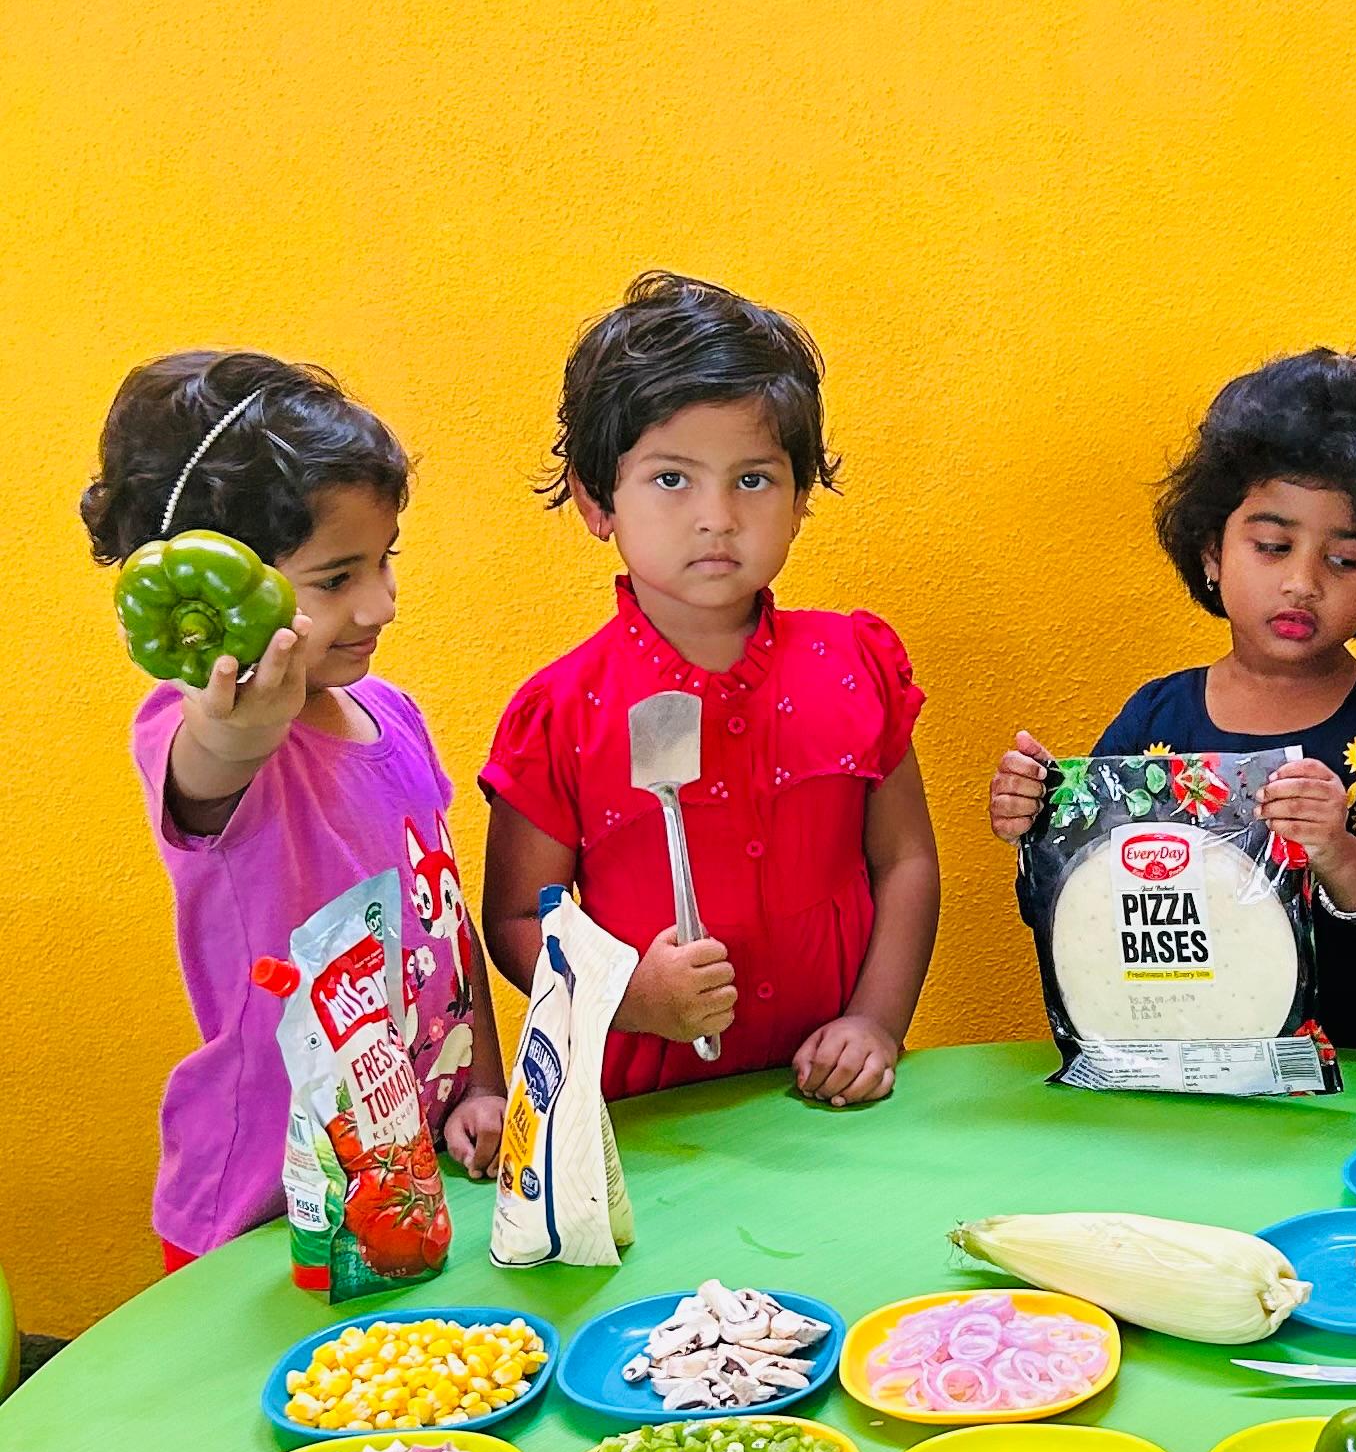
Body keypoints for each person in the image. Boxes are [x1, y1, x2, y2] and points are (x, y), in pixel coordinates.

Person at [82, 348, 509, 1267]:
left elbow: (447, 925)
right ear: (226, 587)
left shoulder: (391, 713)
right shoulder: (208, 734)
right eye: (336, 578)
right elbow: (210, 768)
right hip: (265, 1208)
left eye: (385, 563)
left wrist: (482, 1084)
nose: (382, 603)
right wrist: (240, 727)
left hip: (413, 1174)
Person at [482, 270, 939, 1107]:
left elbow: (904, 860)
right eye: (671, 479)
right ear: (595, 501)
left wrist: (877, 1021)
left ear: (801, 496)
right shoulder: (561, 713)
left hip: (832, 1100)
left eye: (754, 480)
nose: (717, 516)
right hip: (648, 1119)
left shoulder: (856, 662)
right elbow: (514, 922)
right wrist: (632, 994)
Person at [987, 348, 1356, 1057]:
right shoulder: (1157, 719)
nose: (1304, 582)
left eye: (1344, 559)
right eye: (1274, 546)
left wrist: (1338, 850)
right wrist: (1039, 825)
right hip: (1189, 1068)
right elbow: (1076, 908)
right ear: (1211, 553)